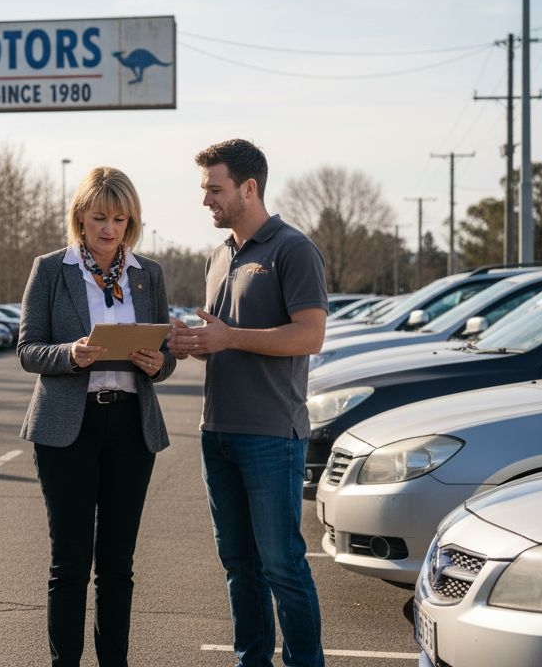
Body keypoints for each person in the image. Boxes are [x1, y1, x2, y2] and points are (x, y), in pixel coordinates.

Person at [167, 139, 327, 667]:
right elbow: (221, 334)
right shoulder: (218, 256)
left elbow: (309, 336)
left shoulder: (293, 249)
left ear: (249, 187)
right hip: (218, 431)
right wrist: (192, 341)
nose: (206, 199)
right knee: (238, 562)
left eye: (215, 188)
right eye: (205, 189)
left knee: (282, 563)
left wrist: (230, 338)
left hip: (272, 433)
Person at [17, 166, 176, 667]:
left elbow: (165, 353)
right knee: (69, 564)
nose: (110, 228)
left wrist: (158, 363)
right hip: (68, 429)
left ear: (131, 222)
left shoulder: (148, 275)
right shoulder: (50, 269)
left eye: (120, 219)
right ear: (80, 217)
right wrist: (71, 354)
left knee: (117, 566)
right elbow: (27, 349)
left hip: (131, 427)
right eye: (100, 217)